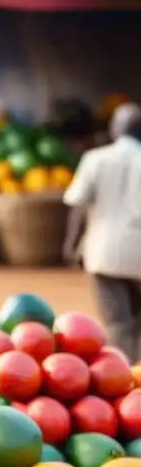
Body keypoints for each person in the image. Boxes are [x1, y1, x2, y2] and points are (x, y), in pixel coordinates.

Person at [63, 102, 141, 360]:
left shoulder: (95, 159)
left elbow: (78, 205)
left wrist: (71, 244)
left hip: (103, 252)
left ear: (115, 129)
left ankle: (124, 377)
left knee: (118, 321)